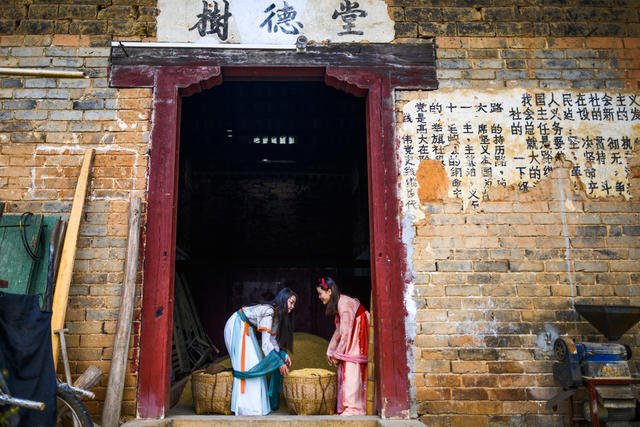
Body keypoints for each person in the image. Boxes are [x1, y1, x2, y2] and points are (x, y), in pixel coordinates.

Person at [223, 287, 297, 415]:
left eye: (294, 303)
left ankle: (254, 408)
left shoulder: (276, 316)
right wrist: (279, 362)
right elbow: (265, 344)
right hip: (237, 325)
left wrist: (282, 356)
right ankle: (245, 408)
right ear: (283, 299)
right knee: (250, 365)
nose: (293, 306)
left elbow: (272, 341)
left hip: (246, 329)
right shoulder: (268, 312)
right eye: (291, 302)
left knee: (256, 364)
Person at [315, 277, 370, 416]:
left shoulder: (344, 304)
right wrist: (330, 351)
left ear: (328, 292)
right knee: (346, 367)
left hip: (359, 331)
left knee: (351, 367)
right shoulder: (339, 303)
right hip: (353, 331)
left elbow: (345, 332)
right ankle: (349, 406)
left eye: (320, 293)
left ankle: (354, 408)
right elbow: (339, 330)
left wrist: (338, 354)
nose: (319, 297)